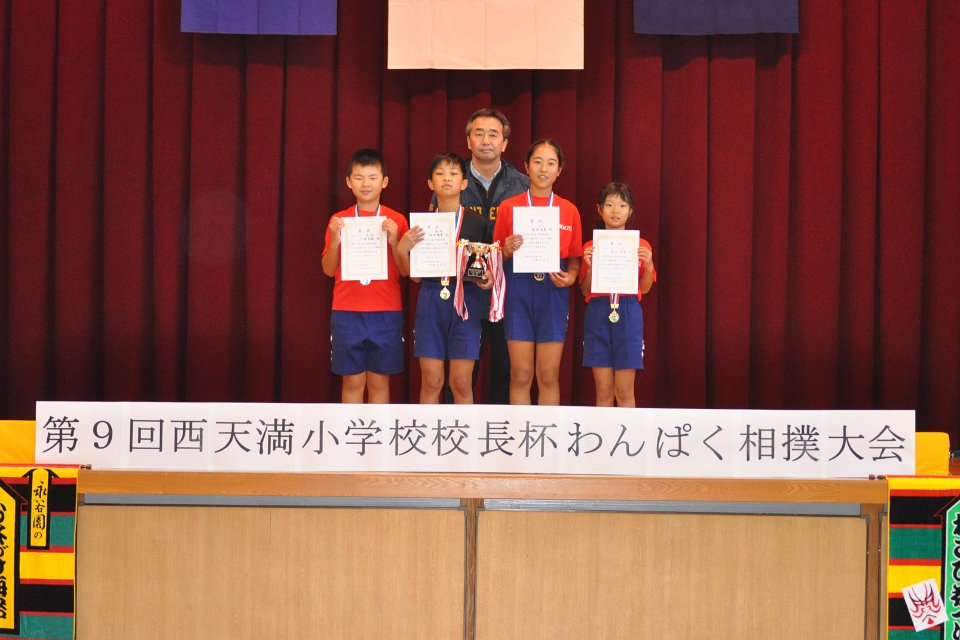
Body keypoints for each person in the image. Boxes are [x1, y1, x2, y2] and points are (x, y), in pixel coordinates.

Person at [493, 138, 582, 405]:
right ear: (526, 166)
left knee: (548, 375)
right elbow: (495, 257)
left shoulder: (569, 210)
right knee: (520, 375)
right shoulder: (508, 207)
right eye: (538, 162)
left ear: (559, 170)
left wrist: (571, 277)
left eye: (551, 163)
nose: (544, 169)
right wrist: (506, 249)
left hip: (552, 293)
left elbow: (574, 260)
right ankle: (520, 432)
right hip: (518, 292)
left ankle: (547, 432)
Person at [322, 149, 413, 404]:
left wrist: (394, 241)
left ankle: (378, 431)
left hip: (386, 311)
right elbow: (328, 269)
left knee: (379, 382)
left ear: (384, 181)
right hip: (347, 311)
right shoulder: (339, 220)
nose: (366, 184)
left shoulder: (396, 220)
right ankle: (350, 431)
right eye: (359, 177)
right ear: (349, 182)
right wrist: (335, 241)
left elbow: (405, 271)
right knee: (352, 382)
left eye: (372, 177)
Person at [403, 153, 495, 404]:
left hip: (467, 301)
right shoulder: (421, 226)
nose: (446, 178)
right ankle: (428, 430)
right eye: (440, 174)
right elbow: (414, 278)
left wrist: (486, 279)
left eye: (453, 174)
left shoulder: (479, 223)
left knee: (461, 382)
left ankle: (463, 431)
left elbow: (488, 271)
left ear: (464, 183)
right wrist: (402, 248)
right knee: (432, 381)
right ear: (430, 183)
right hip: (431, 298)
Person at [459, 108, 530, 405]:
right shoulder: (452, 179)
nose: (486, 141)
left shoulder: (523, 184)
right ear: (468, 141)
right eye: (479, 134)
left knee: (507, 368)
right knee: (461, 372)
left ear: (504, 143)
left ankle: (502, 430)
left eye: (493, 135)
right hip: (464, 290)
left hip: (510, 288)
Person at [579, 182, 656, 407]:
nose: (615, 211)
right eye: (609, 205)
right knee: (603, 391)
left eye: (622, 205)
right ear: (599, 209)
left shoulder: (641, 246)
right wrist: (589, 268)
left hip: (629, 311)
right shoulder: (591, 246)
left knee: (624, 391)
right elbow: (584, 290)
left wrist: (649, 266)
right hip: (598, 311)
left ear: (630, 211)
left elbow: (645, 288)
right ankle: (603, 431)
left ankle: (627, 431)